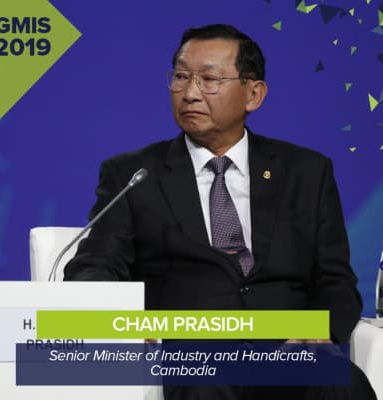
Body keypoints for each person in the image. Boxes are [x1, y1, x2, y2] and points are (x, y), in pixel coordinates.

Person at [64, 24, 376, 399]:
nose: (190, 93)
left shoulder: (306, 172)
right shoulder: (133, 174)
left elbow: (335, 280)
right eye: (181, 77)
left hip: (290, 352)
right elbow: (95, 265)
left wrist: (319, 328)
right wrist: (122, 316)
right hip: (194, 356)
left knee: (343, 382)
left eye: (209, 79)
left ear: (253, 94)